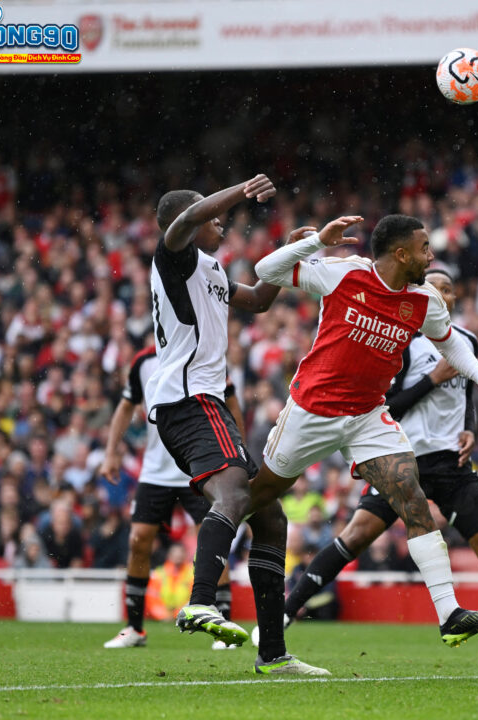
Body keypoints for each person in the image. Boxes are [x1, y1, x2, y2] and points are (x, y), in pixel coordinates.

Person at [241, 214, 478, 674]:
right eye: (423, 248)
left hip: (368, 415)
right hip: (313, 410)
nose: (430, 256)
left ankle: (450, 615)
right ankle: (206, 592)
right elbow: (266, 272)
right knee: (256, 496)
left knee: (412, 498)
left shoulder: (423, 301)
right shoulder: (344, 272)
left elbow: (451, 343)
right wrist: (316, 241)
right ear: (400, 253)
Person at [145, 173, 323, 675]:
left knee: (270, 517)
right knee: (237, 498)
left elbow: (260, 300)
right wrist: (240, 191)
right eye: (210, 213)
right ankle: (202, 601)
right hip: (190, 400)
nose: (218, 218)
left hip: (201, 404)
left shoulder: (211, 268)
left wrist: (291, 255)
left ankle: (273, 654)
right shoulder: (173, 256)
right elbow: (186, 218)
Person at [99, 346, 243, 650]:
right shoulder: (143, 361)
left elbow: (231, 403)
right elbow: (126, 406)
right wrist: (111, 452)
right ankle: (134, 628)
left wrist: (238, 453)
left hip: (200, 465)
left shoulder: (205, 353)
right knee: (139, 540)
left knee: (214, 535)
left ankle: (223, 623)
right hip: (156, 471)